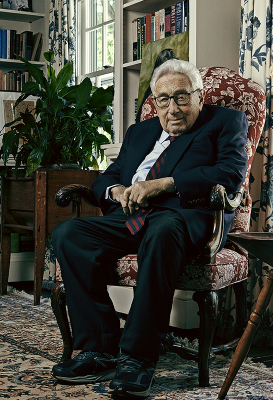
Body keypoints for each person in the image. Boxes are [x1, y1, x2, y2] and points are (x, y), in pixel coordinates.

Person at [51, 59, 248, 398]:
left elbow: (230, 173)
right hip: (129, 216)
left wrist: (164, 184)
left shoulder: (225, 121)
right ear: (154, 102)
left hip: (179, 217)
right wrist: (115, 191)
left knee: (162, 231)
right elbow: (109, 176)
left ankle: (138, 359)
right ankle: (99, 349)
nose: (173, 108)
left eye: (182, 97)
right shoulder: (140, 132)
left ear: (199, 96)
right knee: (68, 234)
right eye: (163, 99)